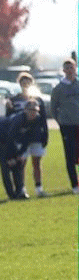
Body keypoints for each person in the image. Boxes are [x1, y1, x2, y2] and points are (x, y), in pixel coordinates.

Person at [0, 100, 45, 200]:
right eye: (31, 110)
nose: (33, 113)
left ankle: (20, 192)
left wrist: (20, 154)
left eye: (35, 110)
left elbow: (28, 139)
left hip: (10, 139)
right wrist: (10, 157)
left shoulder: (37, 119)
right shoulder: (19, 119)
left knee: (18, 163)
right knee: (6, 163)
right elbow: (10, 138)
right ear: (25, 110)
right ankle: (11, 194)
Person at [6, 72, 48, 195]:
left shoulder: (38, 100)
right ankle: (22, 188)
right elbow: (9, 118)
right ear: (19, 84)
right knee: (21, 162)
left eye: (28, 83)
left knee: (36, 162)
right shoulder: (14, 100)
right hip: (21, 136)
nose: (25, 85)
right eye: (23, 83)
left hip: (35, 135)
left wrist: (45, 135)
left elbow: (43, 119)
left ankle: (38, 188)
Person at [48, 57, 79, 194]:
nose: (69, 70)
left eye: (71, 67)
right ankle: (75, 185)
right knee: (70, 155)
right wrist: (60, 121)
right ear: (63, 70)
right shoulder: (58, 88)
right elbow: (53, 108)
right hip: (67, 125)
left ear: (75, 68)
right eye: (67, 68)